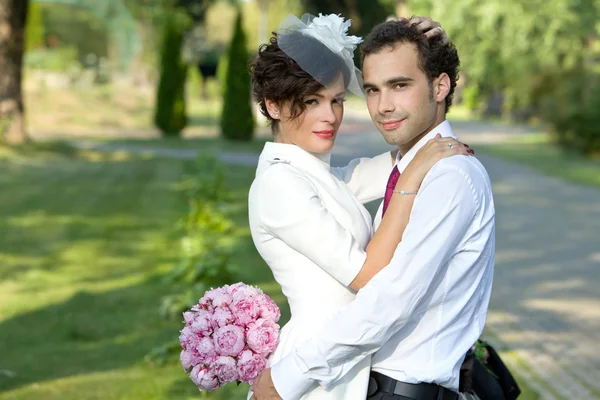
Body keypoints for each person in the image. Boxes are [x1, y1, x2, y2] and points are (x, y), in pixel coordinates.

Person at [251, 18, 495, 400]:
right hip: (327, 373)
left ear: (440, 85)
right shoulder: (284, 180)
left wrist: (432, 49)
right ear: (274, 106)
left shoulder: (449, 176)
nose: (383, 106)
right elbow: (373, 280)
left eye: (399, 84)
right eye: (372, 90)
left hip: (358, 377)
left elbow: (391, 299)